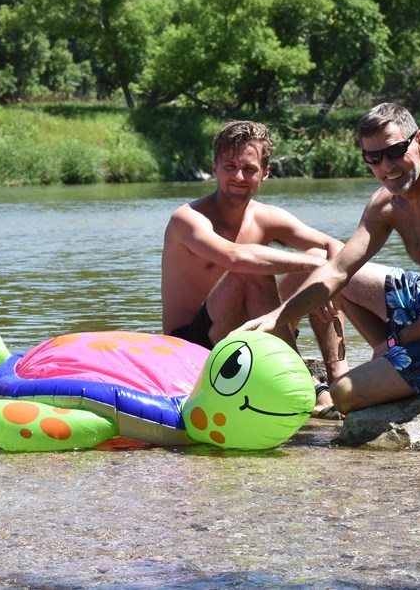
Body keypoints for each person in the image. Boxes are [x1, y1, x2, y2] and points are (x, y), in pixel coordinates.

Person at [237, 103, 420, 415]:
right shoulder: (387, 204)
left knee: (345, 395)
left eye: (395, 151)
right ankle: (382, 365)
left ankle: (386, 362)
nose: (386, 166)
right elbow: (338, 269)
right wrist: (275, 318)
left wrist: (392, 345)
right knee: (327, 270)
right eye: (372, 157)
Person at [160, 120, 388, 419]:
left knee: (320, 258)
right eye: (229, 166)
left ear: (265, 173)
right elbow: (236, 258)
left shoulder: (267, 217)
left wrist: (328, 275)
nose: (239, 176)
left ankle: (338, 373)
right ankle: (307, 385)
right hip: (195, 344)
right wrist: (326, 268)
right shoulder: (187, 219)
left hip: (252, 325)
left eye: (250, 168)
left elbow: (335, 248)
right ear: (214, 168)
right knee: (254, 270)